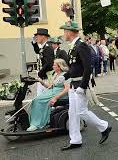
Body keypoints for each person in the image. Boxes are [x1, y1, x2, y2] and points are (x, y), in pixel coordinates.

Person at [60, 21, 111, 150]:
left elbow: (88, 68)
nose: (64, 34)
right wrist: (64, 77)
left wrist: (82, 87)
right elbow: (75, 67)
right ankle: (75, 140)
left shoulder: (81, 45)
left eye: (65, 31)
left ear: (70, 32)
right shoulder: (73, 45)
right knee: (73, 113)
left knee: (81, 112)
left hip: (80, 84)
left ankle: (104, 126)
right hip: (73, 84)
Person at [27, 59, 69, 131]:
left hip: (59, 94)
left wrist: (56, 98)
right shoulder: (55, 75)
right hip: (52, 92)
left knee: (38, 101)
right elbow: (50, 86)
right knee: (35, 100)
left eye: (54, 65)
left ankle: (37, 124)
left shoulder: (65, 75)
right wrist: (41, 82)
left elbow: (67, 89)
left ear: (59, 67)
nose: (52, 66)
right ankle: (36, 122)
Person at [31, 28, 55, 95]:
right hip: (43, 76)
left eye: (38, 36)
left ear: (43, 36)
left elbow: (49, 63)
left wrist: (40, 73)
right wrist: (34, 43)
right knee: (40, 97)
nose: (36, 38)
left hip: (46, 77)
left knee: (46, 98)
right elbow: (38, 51)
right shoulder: (44, 46)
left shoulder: (48, 47)